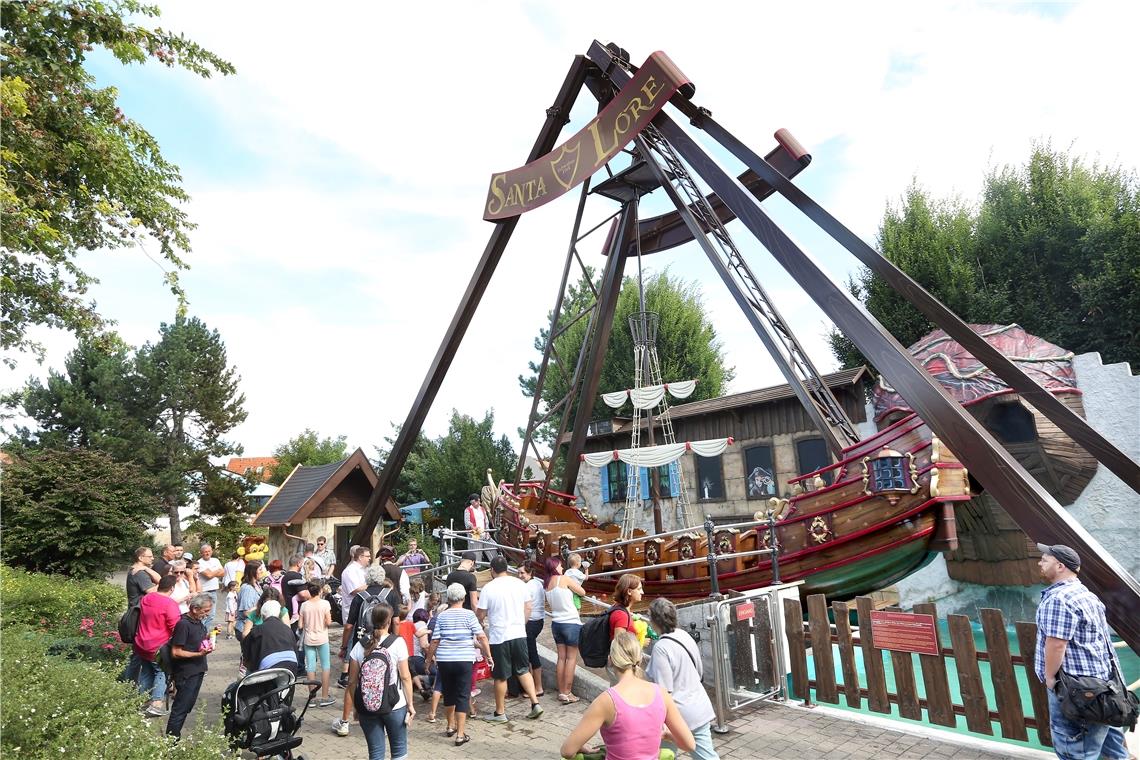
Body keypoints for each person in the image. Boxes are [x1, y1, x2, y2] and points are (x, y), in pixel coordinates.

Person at [1034, 543, 1129, 760]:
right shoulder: (1087, 595)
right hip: (1104, 688)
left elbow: (1057, 644)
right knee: (1115, 752)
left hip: (1076, 690)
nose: (1040, 563)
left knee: (1075, 752)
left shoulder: (1058, 599)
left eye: (1044, 560)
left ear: (1060, 566)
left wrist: (1050, 678)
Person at [561, 630, 695, 760]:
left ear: (611, 660)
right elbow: (689, 744)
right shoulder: (662, 694)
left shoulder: (606, 701)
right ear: (640, 658)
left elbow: (567, 751)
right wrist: (667, 735)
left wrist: (581, 746)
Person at [337, 603, 417, 758]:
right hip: (395, 704)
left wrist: (356, 707)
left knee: (375, 752)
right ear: (389, 621)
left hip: (367, 707)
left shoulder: (359, 646)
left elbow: (352, 682)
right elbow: (406, 677)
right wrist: (410, 704)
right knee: (399, 750)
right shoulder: (398, 643)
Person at [647, 598, 720, 760]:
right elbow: (699, 671)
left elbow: (664, 691)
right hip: (699, 705)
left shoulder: (661, 648)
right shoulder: (684, 635)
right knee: (706, 755)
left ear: (654, 620)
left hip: (678, 715)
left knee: (664, 754)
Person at [425, 582, 494, 747]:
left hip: (445, 661)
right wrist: (488, 655)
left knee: (448, 694)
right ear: (463, 598)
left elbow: (435, 640)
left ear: (448, 599)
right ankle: (460, 734)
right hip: (464, 660)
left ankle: (450, 726)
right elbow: (481, 637)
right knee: (463, 694)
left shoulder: (441, 616)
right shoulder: (469, 615)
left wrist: (428, 660)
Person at [476, 555, 544, 722]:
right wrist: (522, 622)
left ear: (492, 570)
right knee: (522, 670)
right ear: (507, 568)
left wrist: (480, 622)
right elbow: (529, 606)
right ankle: (535, 703)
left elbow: (481, 612)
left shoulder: (488, 588)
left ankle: (500, 713)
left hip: (500, 636)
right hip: (519, 633)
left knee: (500, 675)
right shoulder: (519, 584)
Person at [167, 592, 215, 738]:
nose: (207, 614)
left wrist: (211, 635)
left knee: (187, 706)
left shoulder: (197, 622)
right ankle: (171, 741)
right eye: (205, 611)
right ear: (195, 609)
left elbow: (196, 639)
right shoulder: (183, 624)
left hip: (197, 670)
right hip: (186, 673)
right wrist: (198, 655)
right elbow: (176, 652)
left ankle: (174, 737)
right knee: (180, 708)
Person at [134, 574, 182, 718]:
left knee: (146, 672)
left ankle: (142, 701)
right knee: (161, 672)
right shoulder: (169, 604)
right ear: (172, 588)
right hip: (158, 646)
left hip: (141, 642)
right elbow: (175, 626)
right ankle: (156, 704)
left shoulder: (146, 598)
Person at [341, 564, 393, 688]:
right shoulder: (390, 595)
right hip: (385, 640)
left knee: (356, 679)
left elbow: (349, 626)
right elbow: (396, 621)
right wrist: (395, 638)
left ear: (367, 578)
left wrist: (344, 647)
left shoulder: (360, 597)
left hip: (362, 640)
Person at [545, 555, 586, 703]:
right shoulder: (564, 579)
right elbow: (582, 592)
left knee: (561, 658)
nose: (562, 568)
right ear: (555, 567)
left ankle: (561, 690)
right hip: (571, 622)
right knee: (571, 658)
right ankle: (568, 693)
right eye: (560, 566)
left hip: (556, 623)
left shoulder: (547, 583)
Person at [298, 582, 336, 706]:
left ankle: (312, 697)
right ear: (320, 590)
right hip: (322, 638)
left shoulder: (304, 605)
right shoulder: (325, 604)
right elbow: (329, 622)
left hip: (309, 639)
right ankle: (325, 696)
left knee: (311, 666)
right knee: (325, 666)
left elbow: (300, 625)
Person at [241, 599, 298, 675]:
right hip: (291, 664)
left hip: (269, 666)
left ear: (263, 616)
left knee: (249, 674)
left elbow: (246, 650)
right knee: (286, 683)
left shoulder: (257, 630)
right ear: (278, 614)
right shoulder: (287, 629)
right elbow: (295, 649)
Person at [519, 563, 546, 697]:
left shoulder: (527, 587)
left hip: (530, 621)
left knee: (531, 654)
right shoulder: (538, 583)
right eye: (519, 573)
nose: (520, 576)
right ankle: (534, 686)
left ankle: (537, 687)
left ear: (530, 573)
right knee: (530, 652)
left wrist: (522, 623)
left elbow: (526, 607)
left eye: (522, 573)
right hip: (539, 620)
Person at [234, 559, 264, 643]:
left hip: (254, 628)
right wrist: (262, 606)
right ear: (253, 572)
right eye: (260, 569)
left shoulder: (257, 585)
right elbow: (246, 612)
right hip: (246, 628)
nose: (262, 572)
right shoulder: (247, 588)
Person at [196, 543, 224, 630]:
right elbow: (208, 575)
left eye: (209, 551)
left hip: (213, 591)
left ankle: (205, 633)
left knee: (211, 615)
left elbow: (223, 572)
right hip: (204, 592)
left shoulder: (215, 560)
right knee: (203, 614)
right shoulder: (199, 562)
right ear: (201, 553)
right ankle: (200, 632)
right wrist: (216, 571)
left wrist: (212, 573)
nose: (207, 553)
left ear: (212, 551)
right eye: (205, 552)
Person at [609, 573, 643, 642]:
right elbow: (620, 646)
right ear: (629, 591)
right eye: (639, 589)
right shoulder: (621, 615)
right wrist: (640, 643)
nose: (642, 592)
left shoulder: (617, 607)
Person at [463, 494, 492, 565]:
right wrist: (473, 527)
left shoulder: (482, 509)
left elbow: (486, 521)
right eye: (476, 501)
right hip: (474, 534)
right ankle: (475, 567)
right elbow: (467, 522)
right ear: (472, 502)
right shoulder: (468, 510)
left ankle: (495, 565)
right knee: (475, 552)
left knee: (491, 547)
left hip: (484, 533)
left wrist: (487, 531)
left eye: (479, 501)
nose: (478, 503)